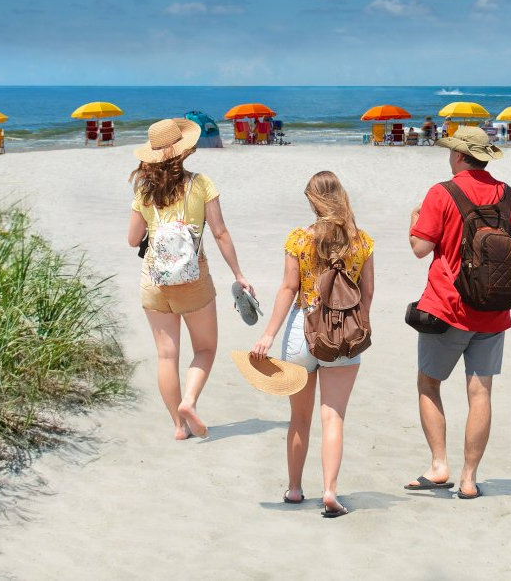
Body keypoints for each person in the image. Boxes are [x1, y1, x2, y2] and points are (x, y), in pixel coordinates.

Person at [406, 127, 511, 500]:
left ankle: (439, 465)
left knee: (429, 384)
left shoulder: (441, 193)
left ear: (459, 156)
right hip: (493, 310)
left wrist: (413, 221)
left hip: (446, 308)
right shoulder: (510, 195)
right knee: (480, 394)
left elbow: (419, 247)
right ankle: (469, 478)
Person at [250, 171, 374, 518]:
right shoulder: (361, 241)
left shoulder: (298, 239)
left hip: (301, 333)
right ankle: (331, 491)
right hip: (344, 336)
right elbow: (367, 294)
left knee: (299, 418)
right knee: (333, 417)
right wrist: (357, 326)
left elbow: (288, 289)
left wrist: (268, 335)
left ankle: (294, 489)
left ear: (312, 201)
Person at [126, 117, 254, 441]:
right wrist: (239, 274)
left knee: (167, 355)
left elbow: (132, 239)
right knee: (206, 349)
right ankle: (190, 401)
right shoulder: (200, 184)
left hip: (155, 280)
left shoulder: (144, 190)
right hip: (193, 279)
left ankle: (178, 427)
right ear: (184, 151)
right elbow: (221, 233)